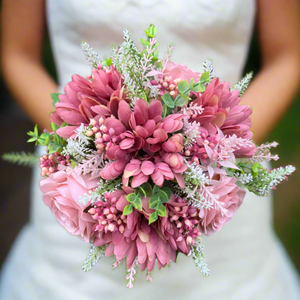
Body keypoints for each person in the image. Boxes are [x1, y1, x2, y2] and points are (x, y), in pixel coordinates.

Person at [1, 0, 300, 299]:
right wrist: (89, 147)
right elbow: (16, 54)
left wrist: (214, 154)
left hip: (218, 184)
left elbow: (288, 55)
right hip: (80, 184)